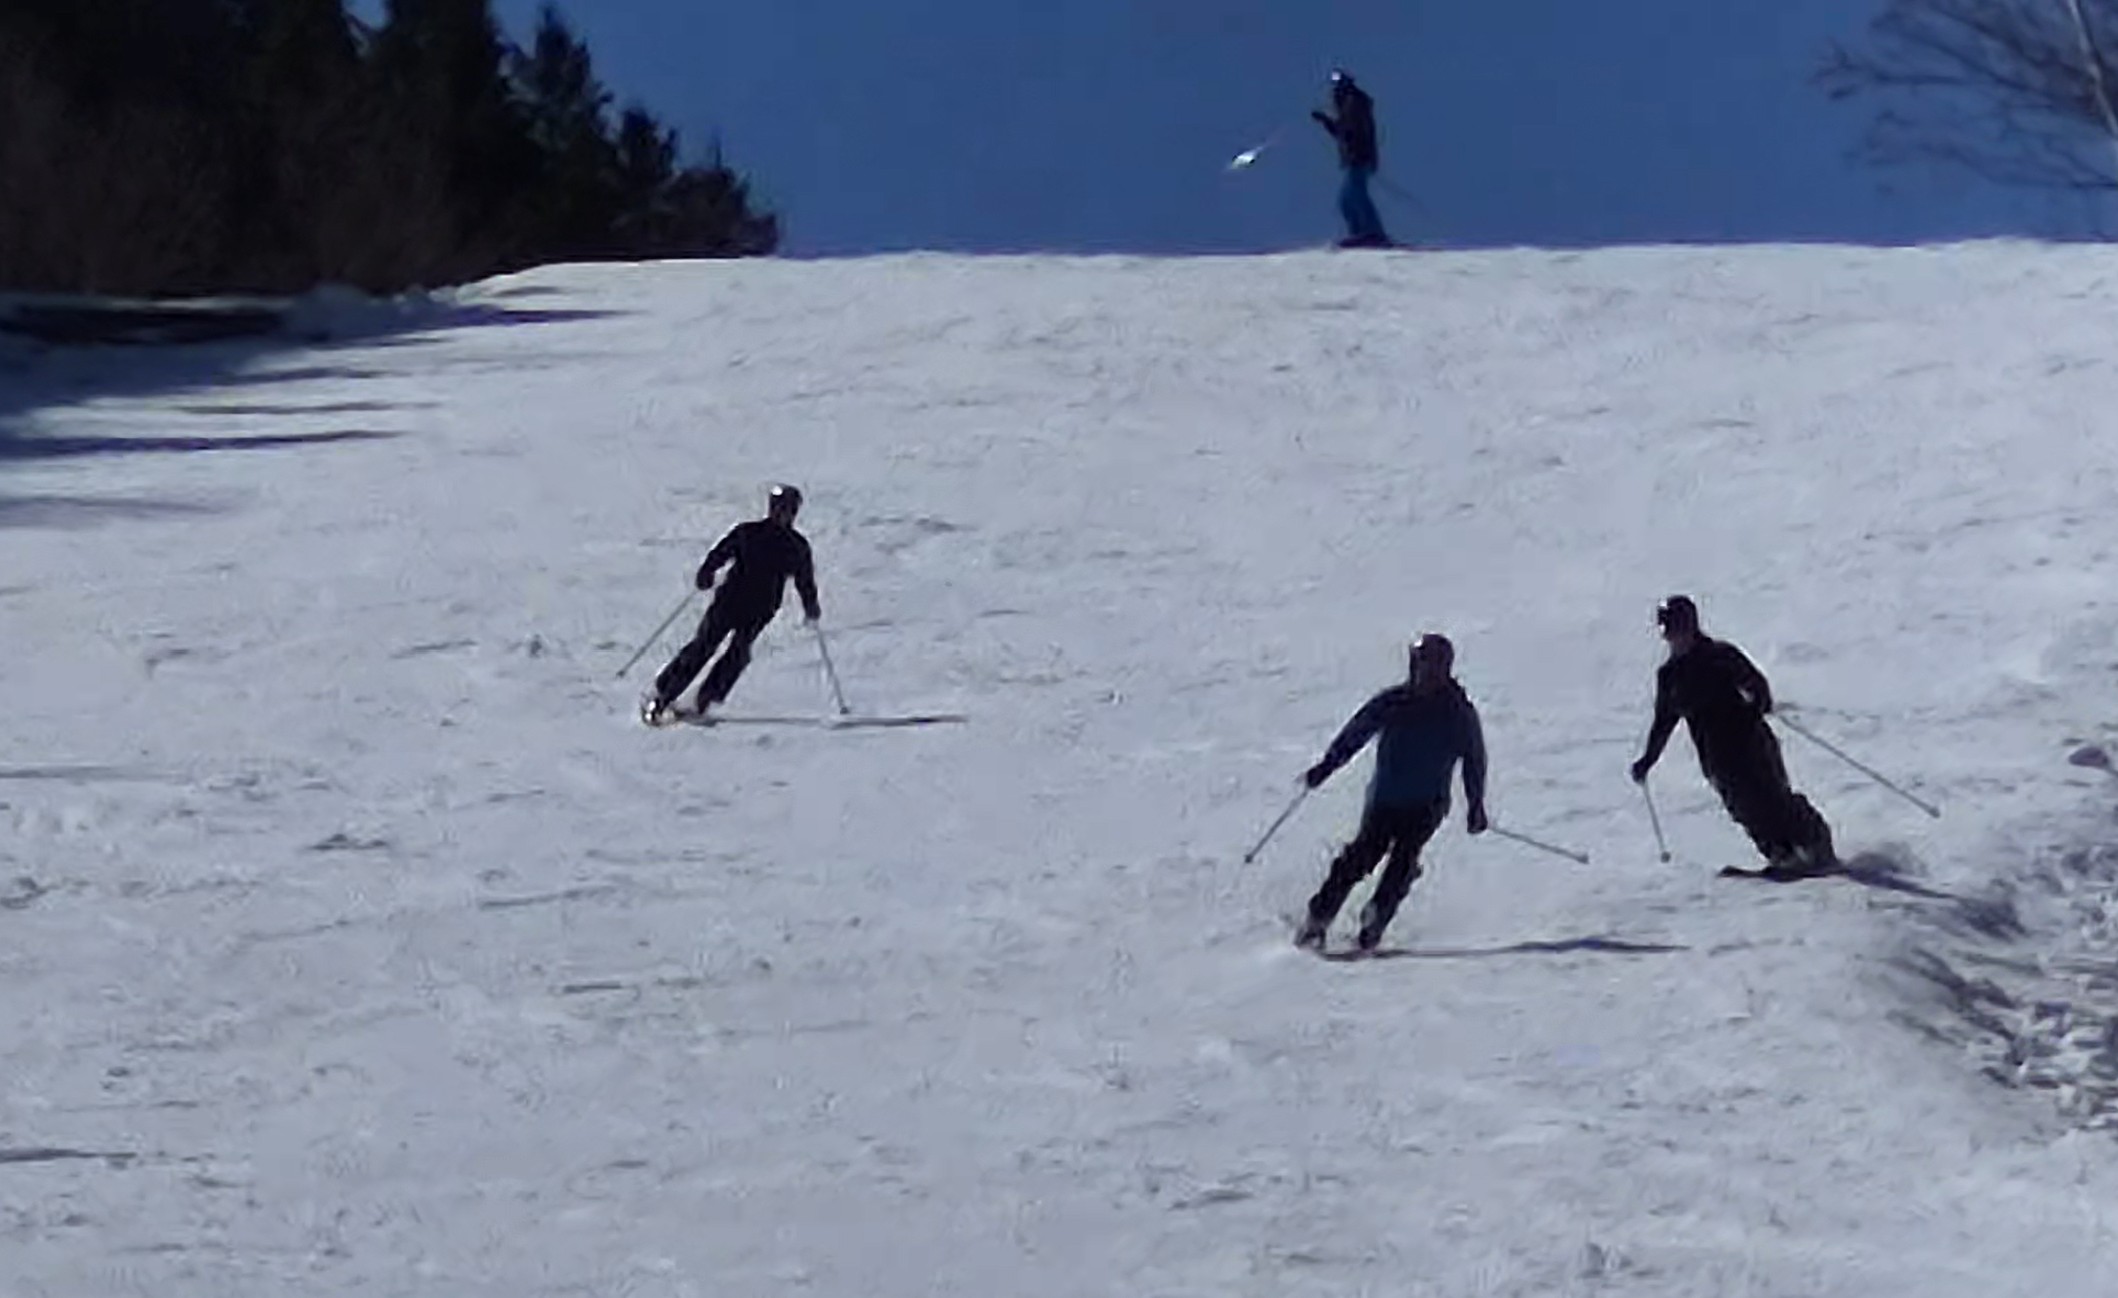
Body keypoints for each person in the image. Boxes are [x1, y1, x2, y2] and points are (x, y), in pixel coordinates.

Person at [1295, 633, 1488, 952]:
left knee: (1404, 858)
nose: (1429, 674)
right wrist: (1326, 767)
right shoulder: (1394, 702)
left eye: (1436, 667)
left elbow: (1473, 760)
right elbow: (1355, 735)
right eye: (1424, 665)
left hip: (1428, 804)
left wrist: (1476, 804)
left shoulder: (1458, 713)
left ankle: (1376, 918)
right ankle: (1318, 918)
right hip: (1385, 800)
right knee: (1360, 857)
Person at [1628, 595, 1837, 875]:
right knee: (1744, 808)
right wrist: (1648, 760)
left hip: (1750, 743)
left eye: (1678, 629)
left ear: (1691, 626)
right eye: (1668, 632)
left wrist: (1759, 702)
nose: (1673, 638)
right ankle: (1782, 856)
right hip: (1716, 757)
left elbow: (1756, 683)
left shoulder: (1719, 655)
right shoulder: (1670, 676)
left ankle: (1815, 844)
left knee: (1772, 796)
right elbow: (1664, 720)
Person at [642, 484, 822, 725]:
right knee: (704, 646)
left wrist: (810, 605)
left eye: (789, 510)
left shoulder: (796, 546)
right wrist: (707, 572)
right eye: (779, 509)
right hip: (729, 601)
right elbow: (721, 551)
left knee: (738, 652)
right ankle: (663, 695)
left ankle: (704, 700)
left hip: (761, 608)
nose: (783, 515)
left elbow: (805, 580)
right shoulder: (749, 533)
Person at [1312, 69, 1390, 249]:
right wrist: (1326, 121)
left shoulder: (1354, 102)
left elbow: (1352, 130)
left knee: (1355, 196)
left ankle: (1371, 232)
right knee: (1348, 199)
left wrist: (1356, 148)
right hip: (1356, 157)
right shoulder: (1348, 103)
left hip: (1359, 157)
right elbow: (1343, 131)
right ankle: (1361, 232)